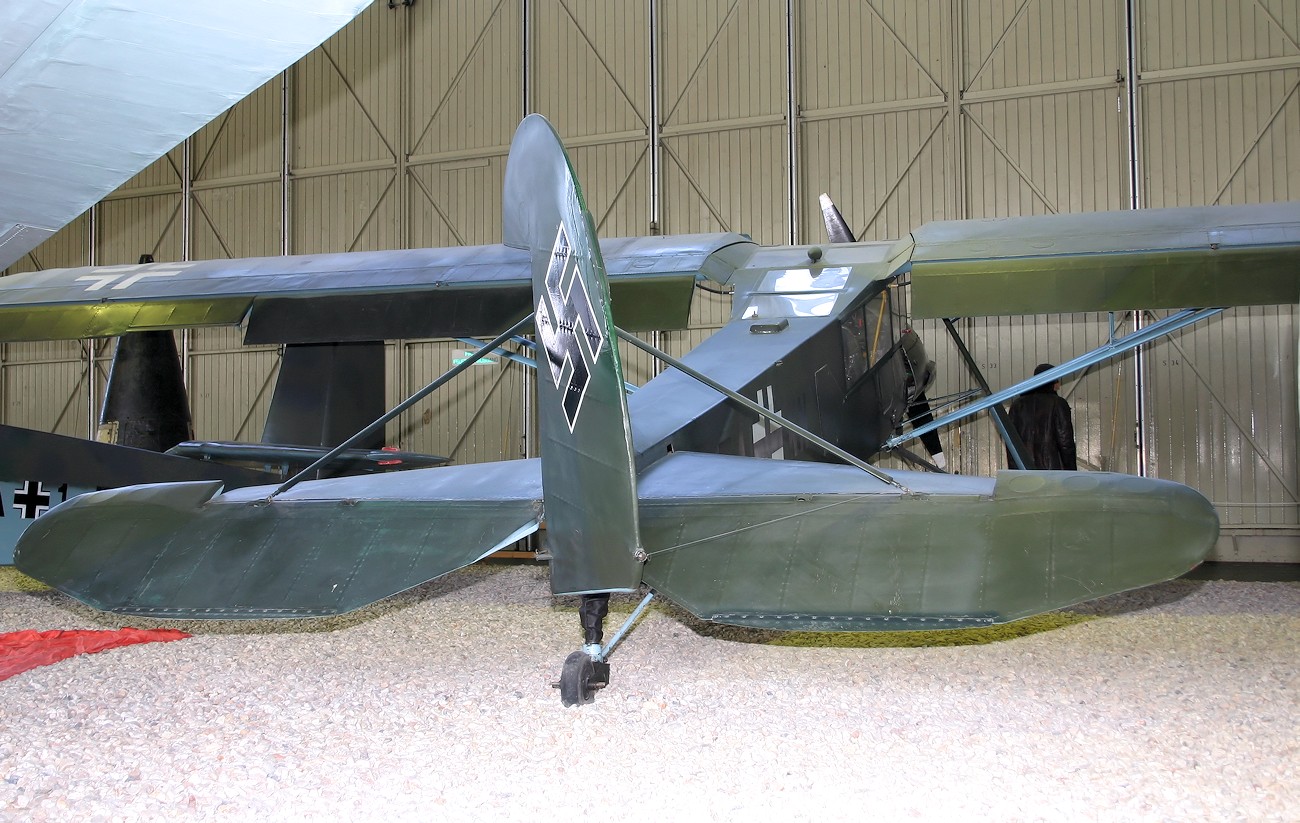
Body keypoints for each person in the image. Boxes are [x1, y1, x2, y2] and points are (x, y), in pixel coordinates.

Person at [1007, 363, 1077, 470]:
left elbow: (1011, 442)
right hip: (1052, 473)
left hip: (1023, 472)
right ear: (1051, 380)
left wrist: (1014, 469)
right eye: (1057, 380)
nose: (1059, 386)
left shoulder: (1017, 405)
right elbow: (1065, 442)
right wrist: (1071, 471)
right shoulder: (1058, 403)